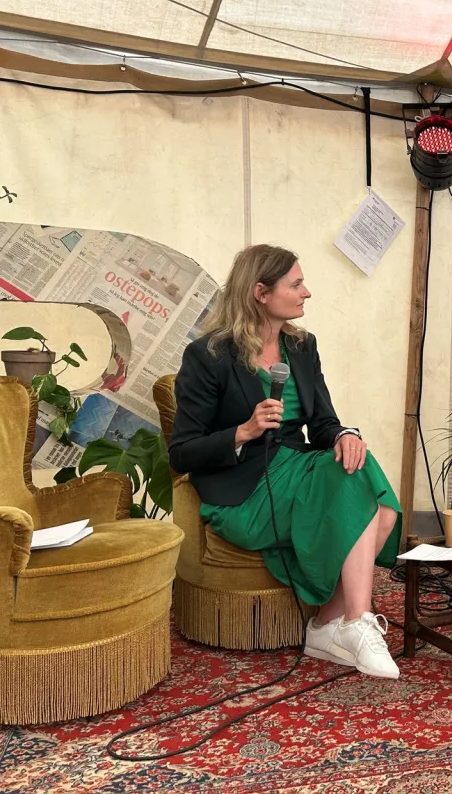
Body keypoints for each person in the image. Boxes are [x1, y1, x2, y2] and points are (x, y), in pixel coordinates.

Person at [170, 244, 402, 679]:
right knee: (366, 492)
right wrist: (243, 431)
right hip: (243, 488)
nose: (306, 293)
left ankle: (337, 622)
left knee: (375, 491)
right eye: (295, 285)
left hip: (296, 466)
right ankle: (346, 622)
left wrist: (345, 435)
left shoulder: (301, 346)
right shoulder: (209, 355)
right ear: (261, 292)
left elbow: (324, 422)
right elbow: (182, 452)